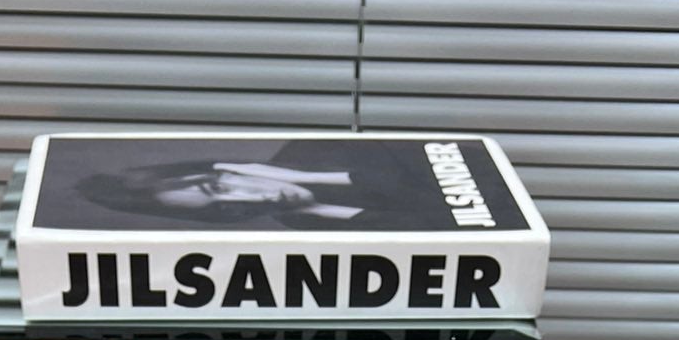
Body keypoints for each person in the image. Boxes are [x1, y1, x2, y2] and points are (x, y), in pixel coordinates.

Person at [75, 139, 431, 231]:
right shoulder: (303, 222)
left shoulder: (318, 151)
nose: (259, 200)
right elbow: (423, 227)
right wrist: (321, 208)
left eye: (219, 188)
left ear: (227, 169)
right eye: (228, 210)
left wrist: (305, 178)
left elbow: (415, 179)